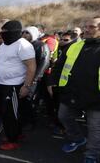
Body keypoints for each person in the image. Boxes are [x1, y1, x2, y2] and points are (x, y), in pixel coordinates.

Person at [51, 17, 100, 163]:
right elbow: (59, 66)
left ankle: (91, 155)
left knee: (95, 129)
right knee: (63, 116)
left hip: (96, 98)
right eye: (85, 26)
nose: (86, 30)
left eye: (92, 27)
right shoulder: (75, 46)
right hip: (72, 93)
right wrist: (52, 82)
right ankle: (78, 138)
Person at [0, 20, 36, 150]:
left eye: (5, 32)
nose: (2, 34)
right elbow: (1, 64)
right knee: (4, 112)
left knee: (11, 114)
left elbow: (31, 67)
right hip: (1, 84)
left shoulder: (23, 45)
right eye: (2, 31)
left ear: (14, 32)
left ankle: (13, 140)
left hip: (14, 85)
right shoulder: (3, 46)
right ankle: (15, 133)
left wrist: (26, 86)